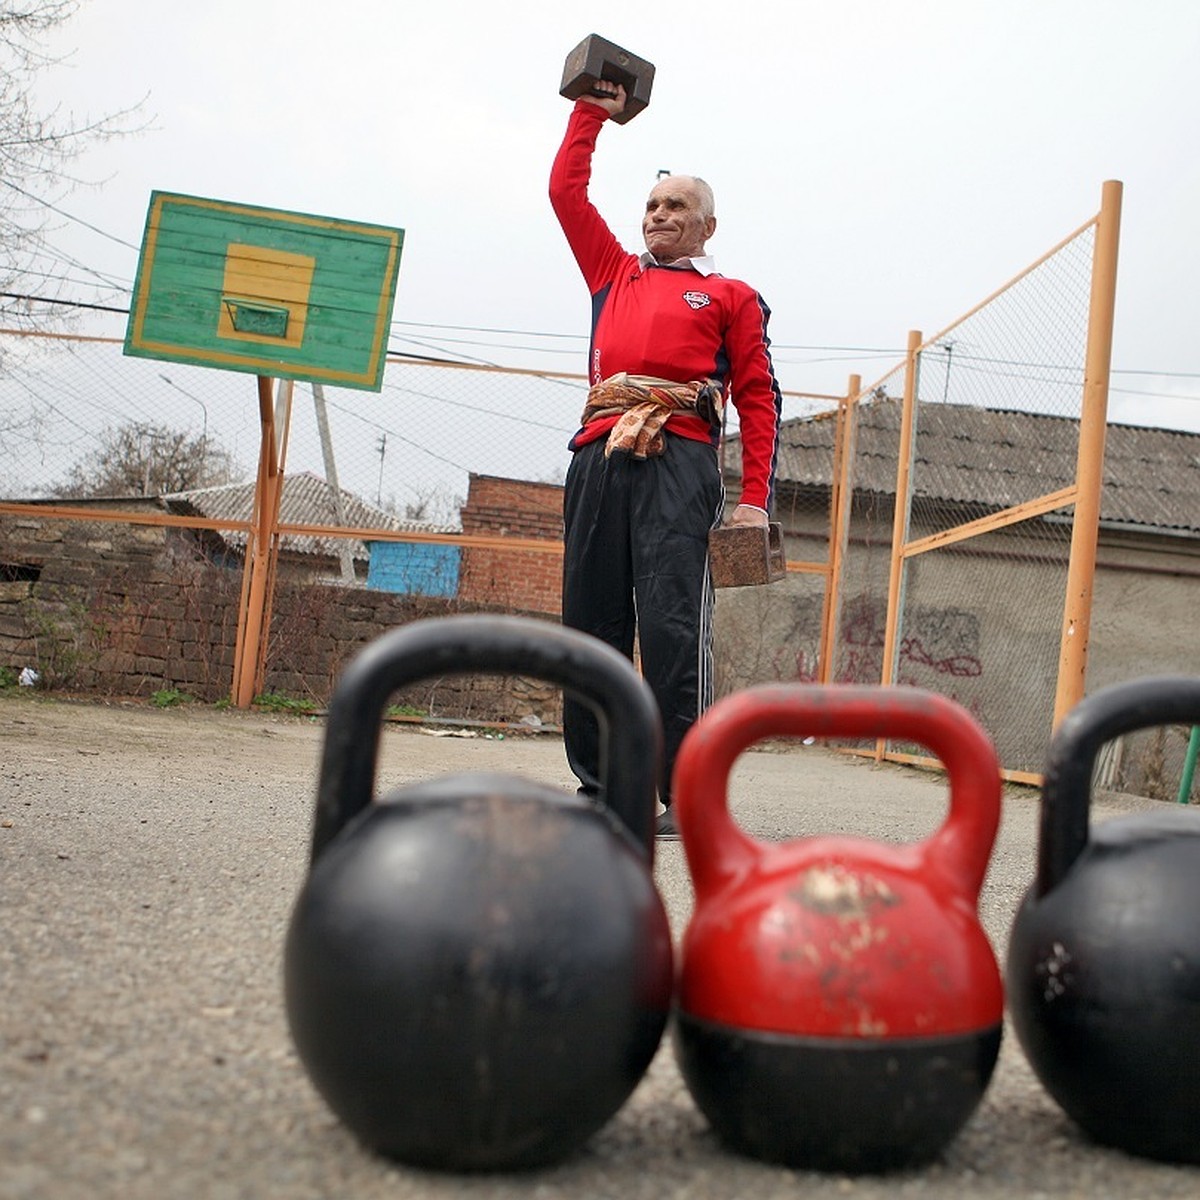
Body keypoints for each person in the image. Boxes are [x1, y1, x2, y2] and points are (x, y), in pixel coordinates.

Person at [550, 80, 782, 839]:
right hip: (597, 457)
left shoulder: (732, 296)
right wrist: (593, 113)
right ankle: (600, 786)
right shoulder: (612, 273)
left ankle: (686, 792)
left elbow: (758, 397)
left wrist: (752, 497)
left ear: (708, 223)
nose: (660, 215)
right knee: (591, 624)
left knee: (675, 627)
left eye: (677, 206)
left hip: (679, 468)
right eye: (653, 206)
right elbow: (565, 188)